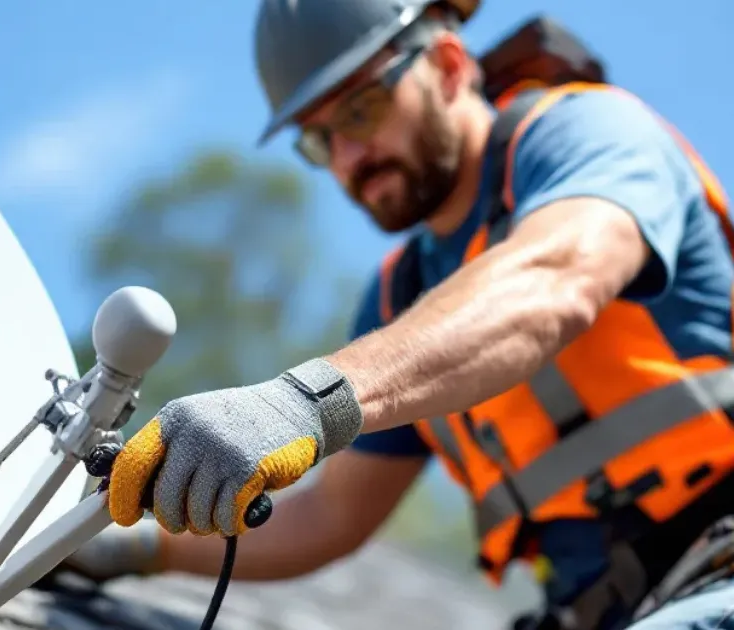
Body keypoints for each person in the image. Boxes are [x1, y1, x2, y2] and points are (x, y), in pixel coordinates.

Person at [61, 0, 734, 628]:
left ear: (445, 66)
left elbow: (555, 278)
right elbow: (330, 515)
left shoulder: (584, 132)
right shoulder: (397, 298)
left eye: (361, 110)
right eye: (320, 141)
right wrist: (137, 547)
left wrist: (304, 402)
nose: (350, 160)